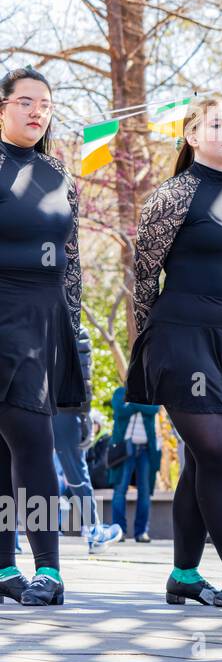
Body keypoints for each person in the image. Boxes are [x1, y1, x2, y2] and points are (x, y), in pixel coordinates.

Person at [127, 97, 222, 608]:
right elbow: (145, 274)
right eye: (215, 123)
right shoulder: (173, 195)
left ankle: (184, 574)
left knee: (203, 461)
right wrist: (146, 341)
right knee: (214, 451)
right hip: (178, 333)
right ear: (191, 134)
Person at [0, 67, 86, 607]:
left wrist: (71, 327)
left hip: (42, 319)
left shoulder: (60, 176)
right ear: (2, 107)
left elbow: (72, 262)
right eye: (26, 101)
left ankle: (49, 569)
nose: (37, 111)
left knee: (32, 440)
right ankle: (5, 566)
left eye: (46, 104)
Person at [55, 326, 123, 553]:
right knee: (76, 472)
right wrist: (84, 416)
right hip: (65, 408)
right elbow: (82, 375)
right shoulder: (75, 329)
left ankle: (10, 541)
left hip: (28, 405)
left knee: (17, 467)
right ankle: (94, 530)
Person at [109, 386, 161, 543]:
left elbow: (154, 409)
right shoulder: (120, 392)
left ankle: (141, 532)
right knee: (120, 490)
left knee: (145, 493)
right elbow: (120, 410)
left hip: (146, 450)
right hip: (125, 449)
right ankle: (119, 531)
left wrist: (132, 404)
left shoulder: (151, 392)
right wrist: (142, 405)